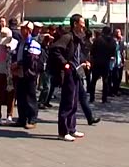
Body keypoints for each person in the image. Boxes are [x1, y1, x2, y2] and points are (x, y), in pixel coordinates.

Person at [50, 14, 89, 142]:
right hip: (69, 73)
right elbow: (55, 50)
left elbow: (79, 55)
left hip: (77, 72)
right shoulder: (67, 37)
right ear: (75, 24)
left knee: (74, 101)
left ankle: (72, 128)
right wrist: (64, 63)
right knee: (67, 101)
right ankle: (63, 131)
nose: (83, 26)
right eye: (81, 24)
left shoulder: (78, 39)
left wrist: (85, 62)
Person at [14, 21, 41, 129]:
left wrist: (19, 64)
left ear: (29, 30)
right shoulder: (21, 42)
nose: (21, 31)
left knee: (30, 97)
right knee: (20, 97)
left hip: (29, 74)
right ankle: (22, 119)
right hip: (20, 73)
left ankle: (32, 119)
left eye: (23, 28)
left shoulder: (33, 43)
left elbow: (31, 59)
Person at [88, 26, 116, 104]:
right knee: (105, 80)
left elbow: (92, 51)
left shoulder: (98, 40)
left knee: (93, 80)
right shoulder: (112, 41)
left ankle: (92, 98)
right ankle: (104, 98)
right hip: (106, 62)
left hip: (97, 62)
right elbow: (113, 52)